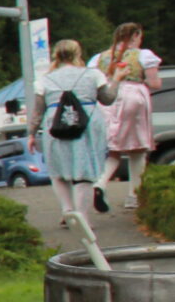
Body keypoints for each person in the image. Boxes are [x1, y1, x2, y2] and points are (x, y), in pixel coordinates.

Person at [34, 38, 115, 221]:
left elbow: (38, 111)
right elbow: (108, 99)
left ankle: (68, 211)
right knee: (84, 173)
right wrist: (116, 80)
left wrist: (31, 134)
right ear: (78, 53)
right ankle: (82, 217)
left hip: (55, 124)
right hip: (86, 124)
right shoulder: (93, 75)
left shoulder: (44, 80)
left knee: (58, 170)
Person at [98, 24, 159, 209]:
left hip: (109, 97)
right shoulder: (143, 55)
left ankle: (100, 183)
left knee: (114, 148)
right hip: (133, 96)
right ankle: (133, 196)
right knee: (137, 148)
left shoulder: (101, 57)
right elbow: (154, 83)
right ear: (135, 36)